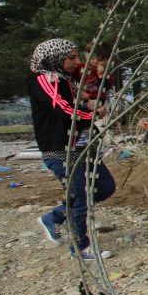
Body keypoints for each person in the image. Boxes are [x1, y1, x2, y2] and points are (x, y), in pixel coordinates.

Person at [30, 38, 116, 260]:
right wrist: (93, 113)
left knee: (105, 187)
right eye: (71, 58)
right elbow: (63, 109)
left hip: (80, 145)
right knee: (79, 196)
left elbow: (88, 96)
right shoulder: (45, 80)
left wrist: (91, 100)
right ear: (54, 59)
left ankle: (55, 217)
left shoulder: (67, 80)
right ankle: (80, 248)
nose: (76, 62)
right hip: (61, 149)